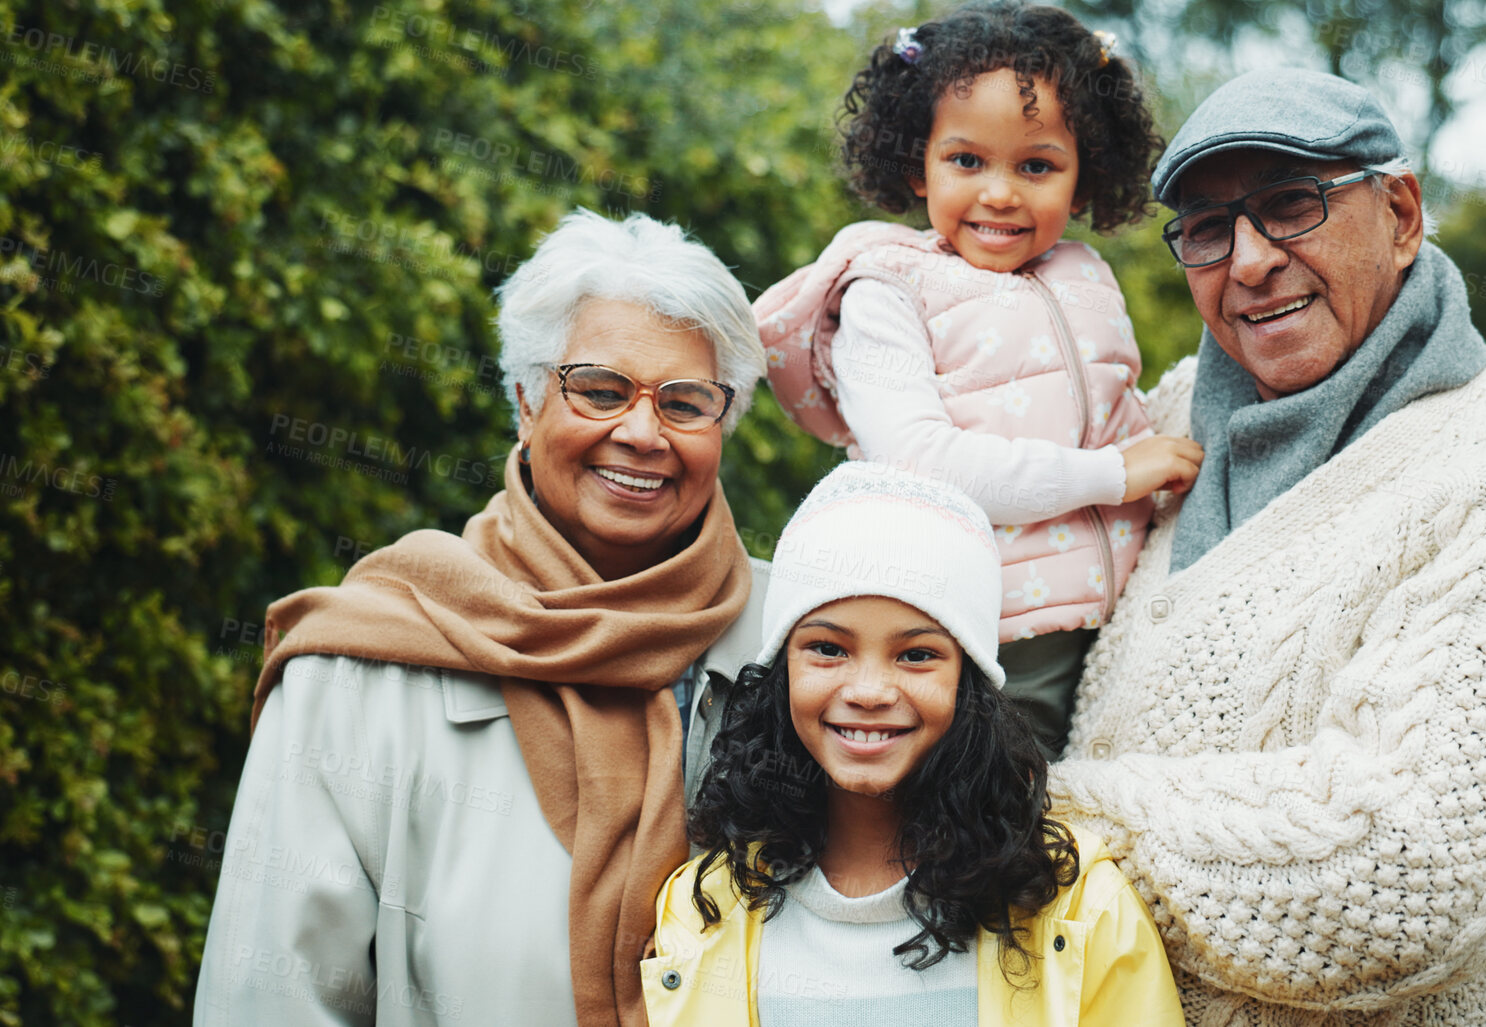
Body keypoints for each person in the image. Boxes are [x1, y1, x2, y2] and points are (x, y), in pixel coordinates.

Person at [1045, 67, 1486, 1025]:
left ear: (1400, 213)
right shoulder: (1159, 430)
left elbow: (1397, 879)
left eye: (1288, 205)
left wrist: (1032, 813)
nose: (1248, 261)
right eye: (1206, 228)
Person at [194, 210, 770, 1027]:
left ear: (724, 421)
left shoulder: (805, 647)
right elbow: (273, 999)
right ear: (526, 401)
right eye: (600, 390)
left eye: (685, 402)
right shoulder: (360, 666)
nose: (641, 432)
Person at [754, 1, 1203, 758]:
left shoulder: (1084, 274)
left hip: (1115, 620)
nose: (1000, 193)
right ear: (915, 166)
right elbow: (920, 462)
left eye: (1036, 165)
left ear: (1083, 171)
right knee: (991, 818)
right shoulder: (888, 289)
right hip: (973, 629)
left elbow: (1114, 410)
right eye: (967, 161)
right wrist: (1115, 474)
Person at [643, 463, 1185, 1026]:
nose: (869, 691)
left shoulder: (1078, 906)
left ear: (969, 681)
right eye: (828, 649)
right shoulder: (704, 905)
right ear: (781, 672)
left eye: (917, 655)